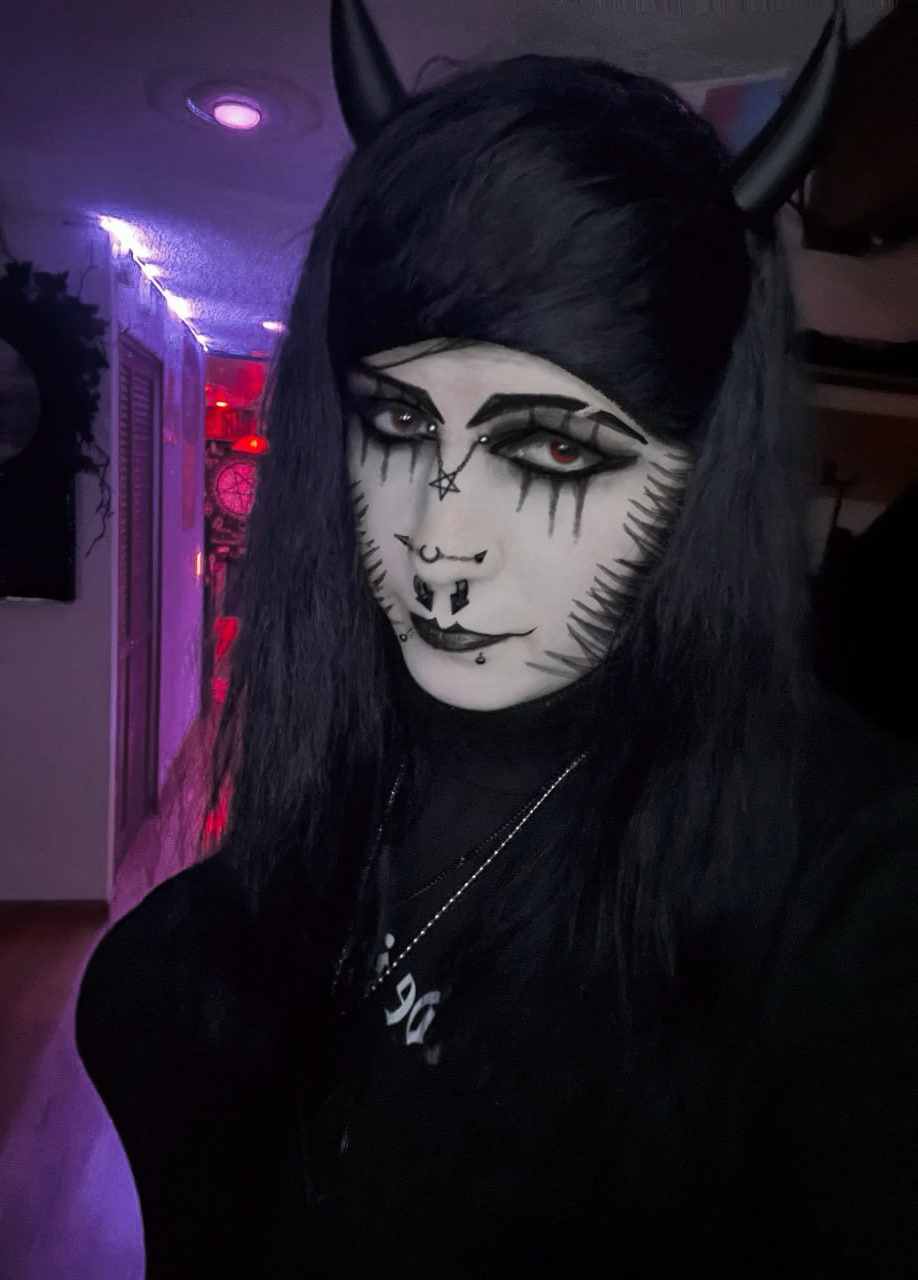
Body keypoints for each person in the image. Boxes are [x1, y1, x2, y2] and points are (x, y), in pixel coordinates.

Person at [76, 3, 918, 1275]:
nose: (439, 536)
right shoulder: (351, 722)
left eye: (556, 448)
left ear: (702, 471)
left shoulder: (858, 887)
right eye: (399, 422)